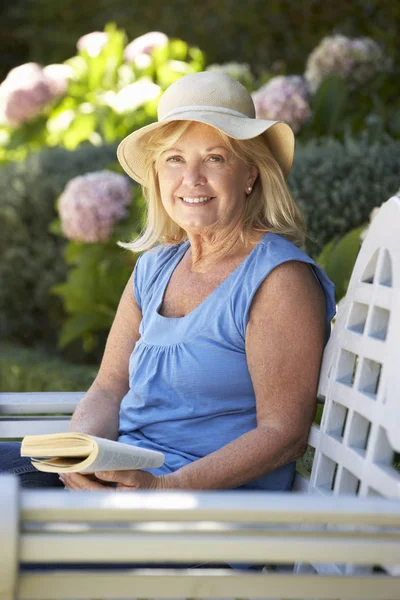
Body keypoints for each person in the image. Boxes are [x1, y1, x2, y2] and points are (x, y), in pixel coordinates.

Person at [0, 71, 335, 495]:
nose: (191, 179)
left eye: (215, 158)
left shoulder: (279, 279)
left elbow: (283, 434)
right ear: (157, 175)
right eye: (175, 159)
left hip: (200, 513)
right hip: (124, 484)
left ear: (250, 174)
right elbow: (108, 388)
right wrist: (78, 459)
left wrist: (164, 488)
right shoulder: (154, 268)